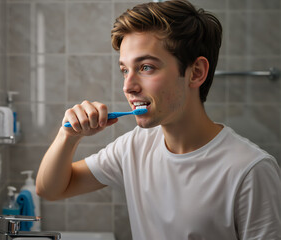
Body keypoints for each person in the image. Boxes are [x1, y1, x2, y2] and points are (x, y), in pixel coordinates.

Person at [35, 0, 281, 239]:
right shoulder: (134, 147)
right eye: (124, 70)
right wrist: (68, 135)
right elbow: (51, 189)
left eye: (146, 67)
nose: (128, 86)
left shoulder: (251, 170)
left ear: (196, 73)